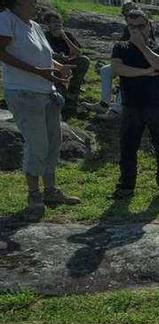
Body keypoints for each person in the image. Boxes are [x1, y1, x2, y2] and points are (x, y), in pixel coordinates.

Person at [0, 0, 80, 219]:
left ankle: (51, 191)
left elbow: (45, 57)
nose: (36, 4)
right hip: (23, 92)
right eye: (31, 2)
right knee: (37, 144)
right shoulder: (6, 19)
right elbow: (2, 53)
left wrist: (59, 67)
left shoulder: (33, 25)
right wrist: (38, 72)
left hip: (46, 91)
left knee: (53, 142)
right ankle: (34, 195)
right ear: (17, 3)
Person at [109, 9, 159, 200]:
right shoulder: (120, 47)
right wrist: (145, 72)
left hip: (156, 105)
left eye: (141, 26)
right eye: (132, 26)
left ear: (149, 25)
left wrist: (143, 47)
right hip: (131, 105)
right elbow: (117, 68)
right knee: (128, 148)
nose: (137, 30)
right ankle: (126, 187)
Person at [88, 1, 136, 117]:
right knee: (105, 70)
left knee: (124, 75)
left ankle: (117, 110)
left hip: (137, 64)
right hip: (126, 62)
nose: (128, 14)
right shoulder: (127, 27)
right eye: (126, 12)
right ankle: (104, 104)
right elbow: (125, 45)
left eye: (131, 11)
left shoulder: (141, 25)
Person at [42, 11, 88, 113]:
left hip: (69, 61)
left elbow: (78, 52)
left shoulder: (67, 35)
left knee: (84, 61)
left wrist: (65, 38)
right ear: (48, 24)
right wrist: (57, 56)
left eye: (60, 22)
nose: (58, 24)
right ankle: (59, 92)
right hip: (53, 63)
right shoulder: (44, 36)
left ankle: (73, 93)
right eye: (54, 22)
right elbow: (43, 54)